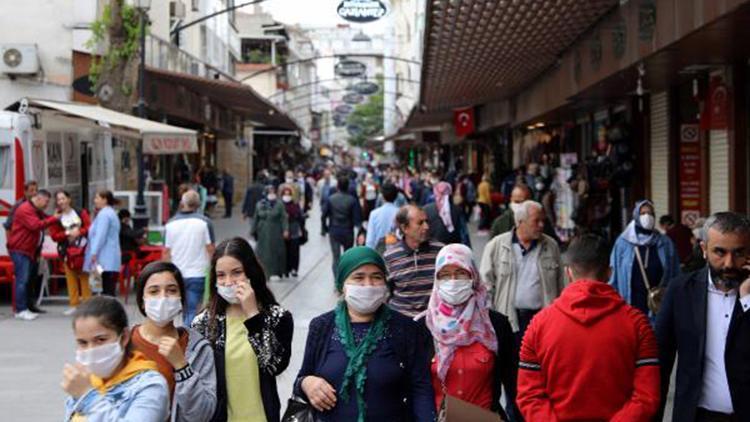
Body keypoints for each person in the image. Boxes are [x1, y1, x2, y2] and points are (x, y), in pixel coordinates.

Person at [517, 234, 660, 420]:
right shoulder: (638, 324)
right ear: (609, 272)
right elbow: (646, 396)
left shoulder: (538, 325)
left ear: (568, 272)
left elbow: (529, 396)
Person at [293, 246, 435, 422]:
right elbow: (301, 379)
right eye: (359, 277)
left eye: (376, 277)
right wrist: (307, 383)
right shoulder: (321, 327)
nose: (368, 285)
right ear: (342, 285)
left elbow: (421, 388)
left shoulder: (406, 329)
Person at [656, 212, 750, 421]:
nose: (729, 263)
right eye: (720, 252)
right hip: (696, 415)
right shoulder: (680, 291)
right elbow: (661, 361)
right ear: (703, 249)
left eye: (738, 253)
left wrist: (747, 299)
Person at [192, 237, 293, 422]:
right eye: (221, 275)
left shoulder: (277, 317)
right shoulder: (204, 323)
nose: (228, 282)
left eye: (236, 272)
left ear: (250, 272)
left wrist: (253, 315)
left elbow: (274, 365)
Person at [421, 244, 519, 420]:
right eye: (445, 275)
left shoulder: (495, 324)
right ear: (436, 279)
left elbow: (514, 383)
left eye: (461, 273)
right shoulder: (422, 327)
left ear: (473, 276)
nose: (453, 280)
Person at [131, 261, 217, 421]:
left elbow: (203, 414)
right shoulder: (124, 344)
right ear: (142, 300)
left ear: (181, 300)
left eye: (171, 290)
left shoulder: (199, 349)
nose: (163, 297)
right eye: (154, 291)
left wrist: (182, 366)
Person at [62, 296, 169, 421]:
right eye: (82, 342)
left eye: (100, 340)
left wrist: (87, 398)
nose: (91, 350)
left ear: (124, 337)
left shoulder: (150, 386)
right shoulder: (87, 380)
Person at [480, 200, 565, 347]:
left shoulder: (551, 246)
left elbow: (560, 285)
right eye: (536, 221)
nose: (541, 225)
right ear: (520, 222)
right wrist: (492, 318)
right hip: (509, 320)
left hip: (541, 319)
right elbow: (485, 286)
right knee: (511, 365)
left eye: (542, 220)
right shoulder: (496, 245)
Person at [610, 200, 680, 316]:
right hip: (630, 307)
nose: (647, 216)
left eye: (650, 213)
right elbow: (614, 276)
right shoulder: (623, 243)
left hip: (658, 307)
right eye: (643, 213)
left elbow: (675, 273)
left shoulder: (665, 243)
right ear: (636, 216)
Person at [164, 190, 215, 326]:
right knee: (193, 309)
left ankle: (185, 337)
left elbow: (166, 252)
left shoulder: (170, 224)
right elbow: (210, 248)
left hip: (177, 272)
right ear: (198, 204)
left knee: (183, 310)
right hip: (198, 272)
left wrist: (166, 271)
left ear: (182, 203)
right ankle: (188, 339)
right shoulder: (204, 223)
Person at [384, 205, 443, 317]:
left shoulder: (440, 252)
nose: (426, 227)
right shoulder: (390, 257)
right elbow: (385, 292)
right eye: (420, 223)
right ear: (404, 228)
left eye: (426, 221)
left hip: (433, 321)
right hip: (401, 322)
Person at [8, 189, 59, 320]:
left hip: (29, 250)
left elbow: (45, 218)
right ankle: (20, 310)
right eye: (46, 201)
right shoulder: (26, 209)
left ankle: (26, 307)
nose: (47, 204)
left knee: (28, 280)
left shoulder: (35, 209)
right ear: (38, 198)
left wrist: (58, 217)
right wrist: (54, 218)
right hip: (21, 249)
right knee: (22, 280)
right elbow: (35, 225)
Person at [48, 190, 92, 316]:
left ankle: (87, 304)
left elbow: (89, 227)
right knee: (70, 277)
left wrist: (80, 232)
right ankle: (74, 304)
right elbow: (54, 236)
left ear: (69, 199)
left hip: (83, 249)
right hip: (66, 250)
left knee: (84, 276)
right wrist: (67, 233)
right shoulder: (56, 217)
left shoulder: (80, 212)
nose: (61, 201)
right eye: (58, 199)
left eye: (63, 198)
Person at [322, 175, 362, 278]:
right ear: (348, 186)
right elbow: (357, 219)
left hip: (334, 230)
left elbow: (323, 215)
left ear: (337, 186)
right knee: (347, 256)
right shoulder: (352, 200)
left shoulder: (331, 199)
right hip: (348, 231)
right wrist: (361, 232)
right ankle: (345, 278)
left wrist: (325, 228)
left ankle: (337, 281)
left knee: (336, 257)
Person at [84, 191, 121, 297]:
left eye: (97, 198)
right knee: (108, 287)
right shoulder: (110, 212)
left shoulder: (104, 214)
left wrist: (94, 252)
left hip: (103, 256)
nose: (95, 201)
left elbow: (100, 235)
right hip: (109, 256)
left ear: (104, 200)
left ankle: (106, 311)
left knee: (104, 288)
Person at [253, 185, 289, 281]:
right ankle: (264, 272)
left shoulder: (279, 204)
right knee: (263, 252)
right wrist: (253, 231)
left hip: (276, 231)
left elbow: (283, 217)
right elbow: (256, 217)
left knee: (276, 251)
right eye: (270, 192)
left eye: (273, 191)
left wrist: (285, 229)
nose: (272, 194)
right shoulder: (260, 204)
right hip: (263, 232)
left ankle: (276, 272)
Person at [424, 182, 471, 247]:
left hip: (432, 249)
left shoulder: (426, 209)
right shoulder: (457, 209)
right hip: (453, 249)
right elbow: (464, 234)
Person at [364, 183, 399, 250]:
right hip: (396, 252)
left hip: (379, 252)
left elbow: (370, 240)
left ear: (382, 196)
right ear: (396, 196)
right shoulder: (400, 212)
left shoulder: (374, 213)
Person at [281, 185, 304, 278]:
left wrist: (301, 229)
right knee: (285, 251)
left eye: (289, 194)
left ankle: (294, 269)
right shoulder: (280, 205)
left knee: (294, 251)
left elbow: (300, 218)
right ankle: (286, 269)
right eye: (285, 194)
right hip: (284, 231)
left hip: (294, 230)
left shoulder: (295, 205)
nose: (287, 196)